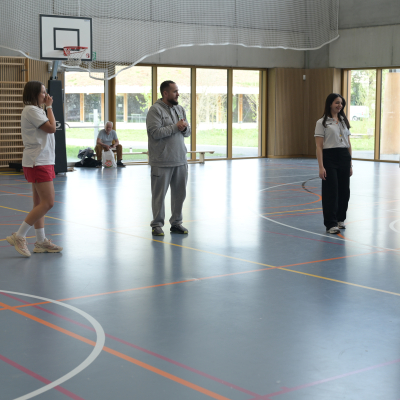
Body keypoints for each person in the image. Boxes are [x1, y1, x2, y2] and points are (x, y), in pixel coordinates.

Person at [6, 81, 63, 256]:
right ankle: (20, 235)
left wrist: (46, 108)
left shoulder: (36, 110)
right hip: (38, 161)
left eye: (46, 92)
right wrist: (50, 107)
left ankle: (41, 241)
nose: (46, 95)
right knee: (48, 203)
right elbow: (52, 128)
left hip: (42, 160)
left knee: (39, 204)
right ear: (34, 94)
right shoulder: (32, 110)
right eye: (43, 92)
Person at [146, 80, 191, 236]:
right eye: (174, 91)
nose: (178, 94)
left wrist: (184, 128)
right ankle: (157, 225)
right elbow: (155, 133)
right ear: (165, 93)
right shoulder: (155, 110)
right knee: (159, 196)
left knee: (180, 195)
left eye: (177, 91)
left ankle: (176, 223)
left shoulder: (180, 109)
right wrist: (175, 127)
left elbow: (187, 131)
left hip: (180, 160)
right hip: (161, 161)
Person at [315, 93, 353, 234]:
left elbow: (348, 144)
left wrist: (350, 164)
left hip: (344, 157)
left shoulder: (343, 121)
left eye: (341, 103)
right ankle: (331, 223)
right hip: (329, 157)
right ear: (330, 104)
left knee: (344, 191)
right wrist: (321, 166)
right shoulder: (321, 122)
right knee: (331, 191)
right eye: (337, 102)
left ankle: (340, 219)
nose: (340, 105)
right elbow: (319, 146)